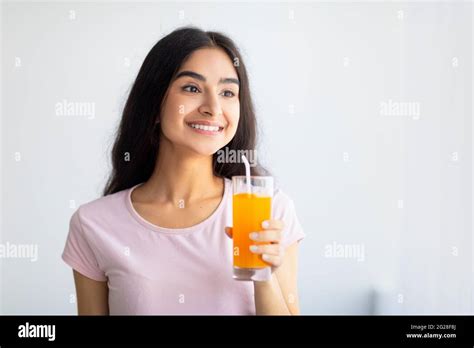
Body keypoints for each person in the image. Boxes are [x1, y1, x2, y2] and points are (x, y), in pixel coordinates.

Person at [62, 26, 305, 315]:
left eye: (228, 92)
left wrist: (263, 276)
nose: (213, 108)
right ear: (154, 105)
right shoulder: (94, 224)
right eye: (192, 88)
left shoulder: (271, 211)